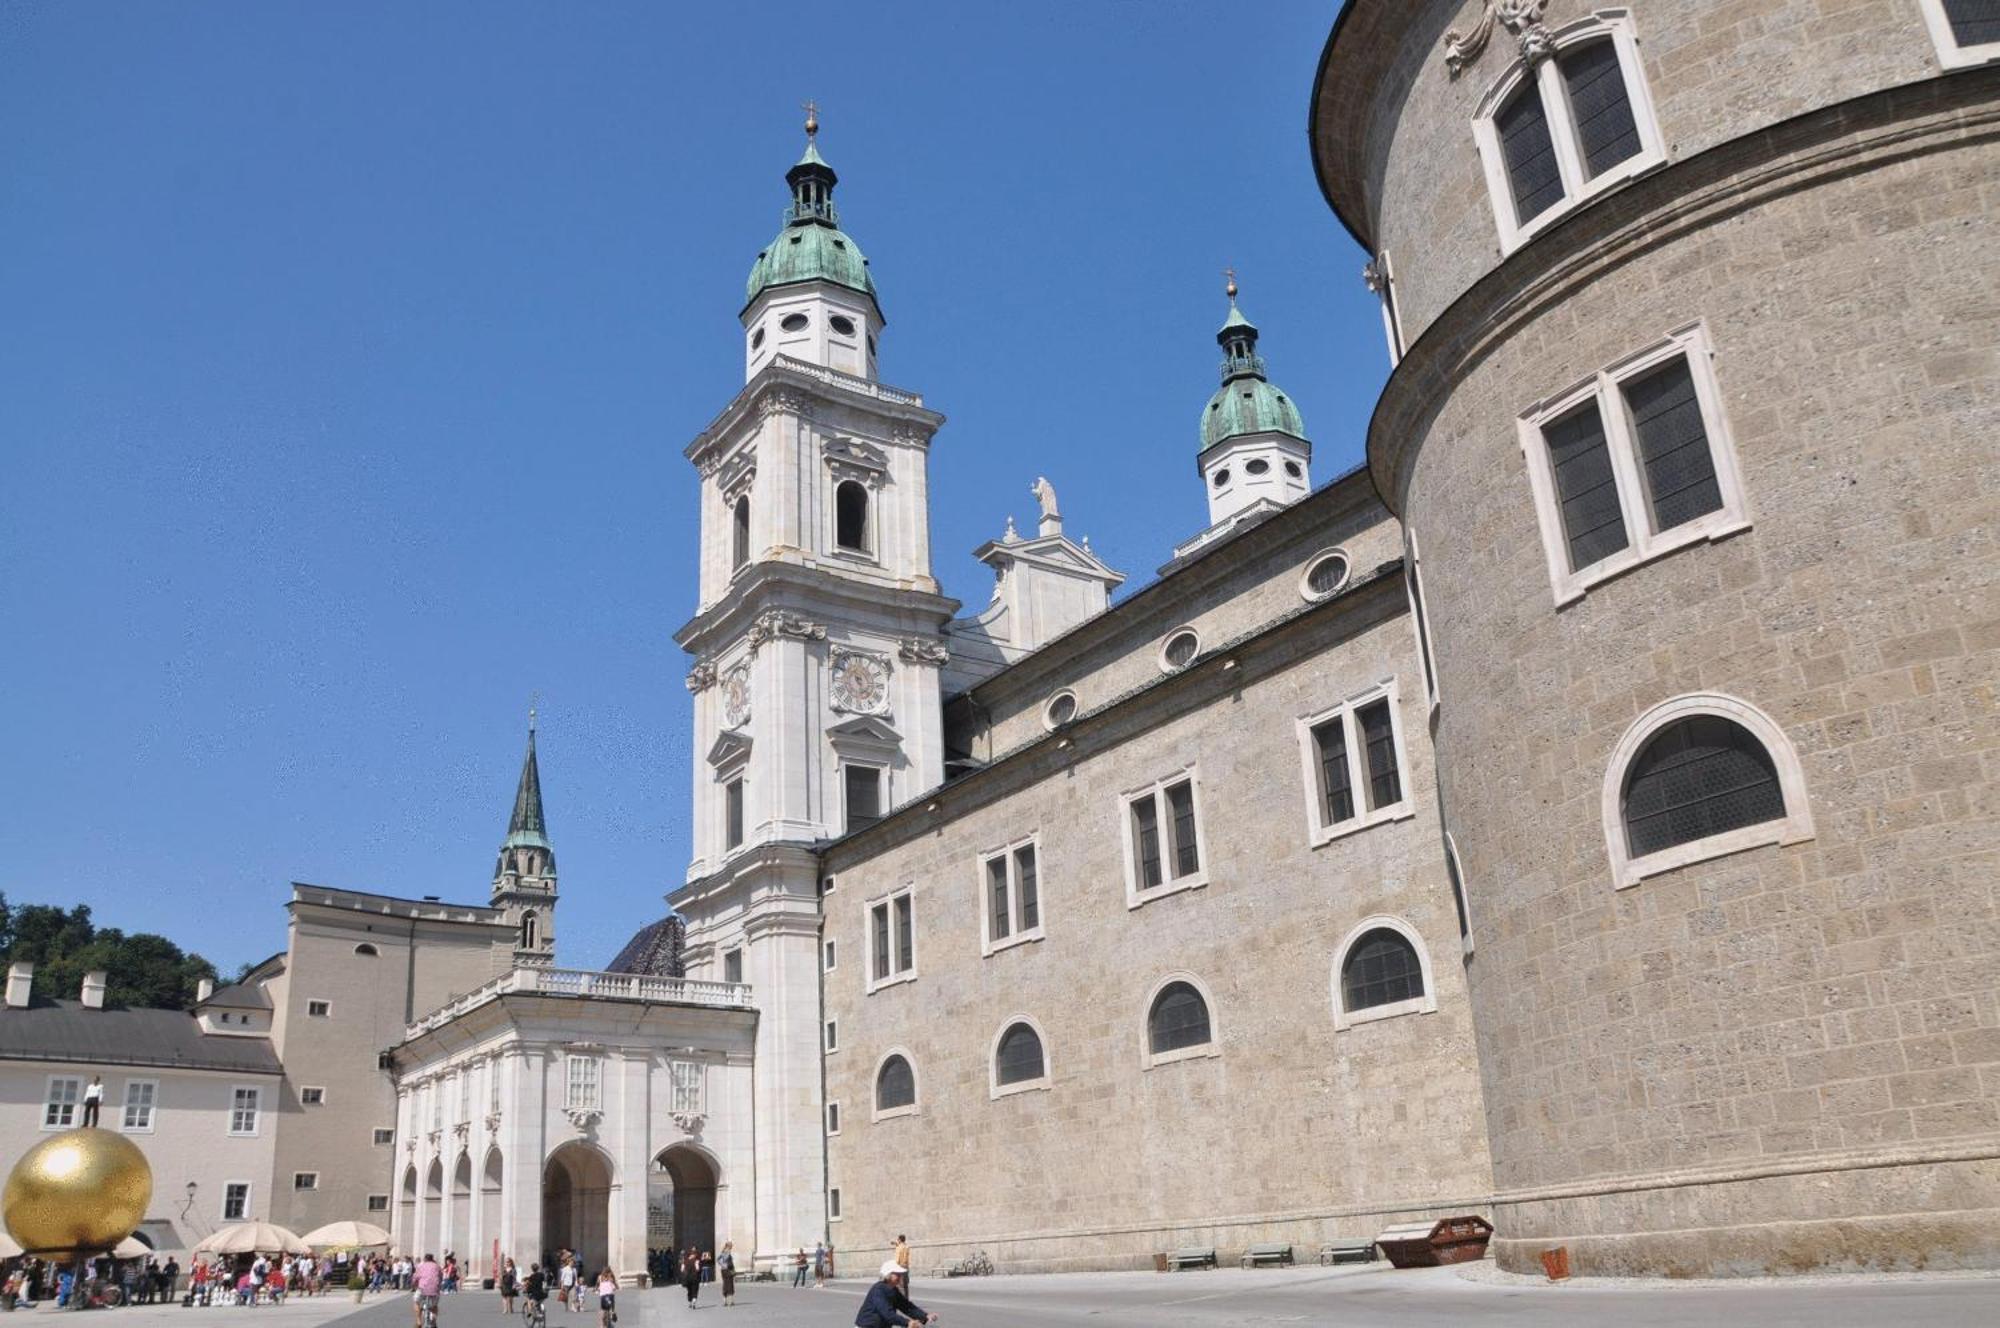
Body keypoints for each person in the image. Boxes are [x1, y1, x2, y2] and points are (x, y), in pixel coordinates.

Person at [853, 1261, 935, 1328]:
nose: (900, 1276)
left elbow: (906, 1306)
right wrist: (908, 1323)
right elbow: (887, 1314)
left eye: (900, 1274)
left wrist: (925, 1316)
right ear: (888, 1275)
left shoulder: (893, 1290)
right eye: (897, 1274)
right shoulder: (878, 1290)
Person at [411, 1252, 442, 1328]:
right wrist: (438, 1285)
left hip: (422, 1288)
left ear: (425, 1259)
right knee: (434, 1306)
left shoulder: (421, 1266)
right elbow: (441, 1277)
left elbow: (415, 1278)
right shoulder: (437, 1266)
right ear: (432, 1259)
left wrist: (413, 1285)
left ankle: (419, 1321)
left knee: (416, 1301)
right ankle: (434, 1322)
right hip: (434, 1289)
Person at [716, 1243, 736, 1309]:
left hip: (724, 1270)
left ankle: (726, 1301)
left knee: (725, 1284)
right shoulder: (726, 1253)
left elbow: (718, 1259)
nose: (730, 1248)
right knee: (729, 1285)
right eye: (730, 1247)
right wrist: (724, 1265)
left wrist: (722, 1265)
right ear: (728, 1247)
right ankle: (730, 1302)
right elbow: (719, 1260)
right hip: (727, 1270)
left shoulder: (724, 1252)